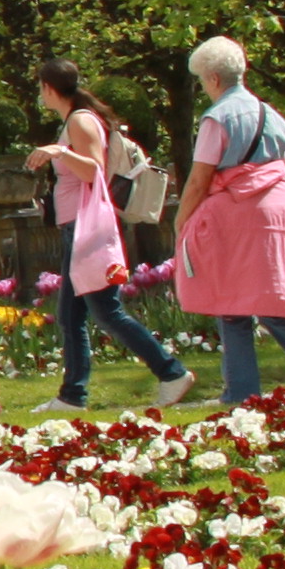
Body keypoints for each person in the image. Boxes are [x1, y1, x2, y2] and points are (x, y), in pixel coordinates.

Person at [171, 36, 285, 406]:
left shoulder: (217, 118)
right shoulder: (273, 114)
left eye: (203, 81)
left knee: (232, 298)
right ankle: (242, 390)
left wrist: (182, 219)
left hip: (239, 213)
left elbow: (200, 177)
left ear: (214, 79)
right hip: (279, 207)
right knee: (252, 296)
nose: (204, 88)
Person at [27, 62, 194, 412]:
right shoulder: (76, 119)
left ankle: (171, 372)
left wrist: (59, 152)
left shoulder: (79, 120)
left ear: (48, 88)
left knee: (106, 312)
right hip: (77, 226)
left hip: (86, 228)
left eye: (40, 87)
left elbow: (93, 171)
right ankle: (72, 395)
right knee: (71, 316)